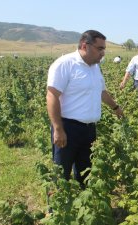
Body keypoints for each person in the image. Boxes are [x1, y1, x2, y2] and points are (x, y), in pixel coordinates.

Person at [46, 30, 124, 187]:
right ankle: (55, 210)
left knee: (86, 172)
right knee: (61, 172)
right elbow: (52, 95)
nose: (103, 53)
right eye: (100, 48)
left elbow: (101, 92)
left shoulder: (94, 67)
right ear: (84, 45)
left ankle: (85, 206)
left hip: (89, 130)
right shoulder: (65, 64)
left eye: (104, 49)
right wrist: (58, 129)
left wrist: (115, 107)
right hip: (67, 128)